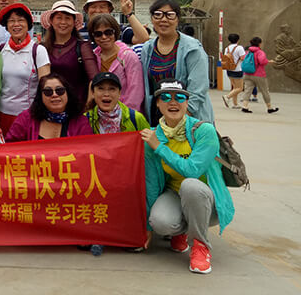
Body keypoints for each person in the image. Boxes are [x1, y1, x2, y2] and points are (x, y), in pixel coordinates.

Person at [140, 79, 235, 274]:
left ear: (187, 103)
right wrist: (147, 228)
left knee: (190, 185)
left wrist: (159, 147)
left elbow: (193, 170)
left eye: (180, 97)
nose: (173, 102)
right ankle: (182, 231)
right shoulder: (153, 137)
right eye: (165, 97)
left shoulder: (204, 131)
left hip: (207, 202)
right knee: (159, 222)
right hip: (174, 194)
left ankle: (200, 246)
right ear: (157, 103)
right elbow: (151, 183)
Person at [140, 0, 213, 124]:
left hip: (189, 119)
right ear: (152, 19)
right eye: (158, 14)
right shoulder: (148, 48)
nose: (163, 19)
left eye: (170, 15)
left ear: (178, 19)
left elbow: (198, 89)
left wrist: (177, 121)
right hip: (158, 117)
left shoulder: (192, 48)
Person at [0, 3, 51, 137]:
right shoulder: (0, 49)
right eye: (11, 21)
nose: (16, 24)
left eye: (21, 20)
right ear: (6, 25)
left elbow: (46, 86)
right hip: (1, 115)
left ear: (28, 24)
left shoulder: (38, 51)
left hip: (28, 115)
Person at [41, 0, 98, 109]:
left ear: (73, 22)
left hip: (77, 107)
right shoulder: (42, 48)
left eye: (67, 18)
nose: (63, 22)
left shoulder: (83, 47)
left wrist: (88, 104)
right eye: (59, 18)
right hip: (49, 106)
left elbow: (94, 78)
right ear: (51, 21)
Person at [5, 73, 93, 141]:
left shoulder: (81, 122)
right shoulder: (26, 118)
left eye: (59, 90)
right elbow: (10, 146)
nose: (54, 95)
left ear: (67, 93)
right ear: (41, 96)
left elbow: (87, 150)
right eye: (48, 92)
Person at [88, 13, 144, 112]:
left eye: (108, 32)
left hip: (125, 113)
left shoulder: (128, 57)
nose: (104, 37)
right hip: (99, 113)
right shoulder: (92, 57)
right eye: (98, 34)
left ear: (115, 32)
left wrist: (126, 114)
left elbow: (136, 91)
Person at [85, 72, 150, 135]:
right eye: (101, 89)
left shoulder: (136, 118)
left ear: (119, 93)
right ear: (93, 93)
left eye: (112, 89)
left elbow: (149, 141)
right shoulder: (85, 120)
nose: (106, 94)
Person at [83, 0, 149, 45]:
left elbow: (142, 38)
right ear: (87, 10)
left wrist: (128, 13)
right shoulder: (79, 31)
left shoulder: (119, 30)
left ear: (109, 10)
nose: (97, 10)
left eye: (102, 7)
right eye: (93, 7)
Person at [240, 37, 279, 114]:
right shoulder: (260, 52)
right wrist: (269, 61)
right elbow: (262, 61)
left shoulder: (248, 52)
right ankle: (269, 108)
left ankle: (245, 106)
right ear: (259, 44)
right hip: (258, 74)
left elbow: (244, 59)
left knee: (247, 90)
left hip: (247, 74)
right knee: (265, 91)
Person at [221, 33, 246, 109]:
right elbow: (242, 58)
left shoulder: (227, 48)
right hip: (237, 69)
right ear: (238, 40)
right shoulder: (239, 48)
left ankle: (235, 104)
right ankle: (227, 97)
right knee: (240, 88)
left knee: (235, 87)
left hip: (229, 69)